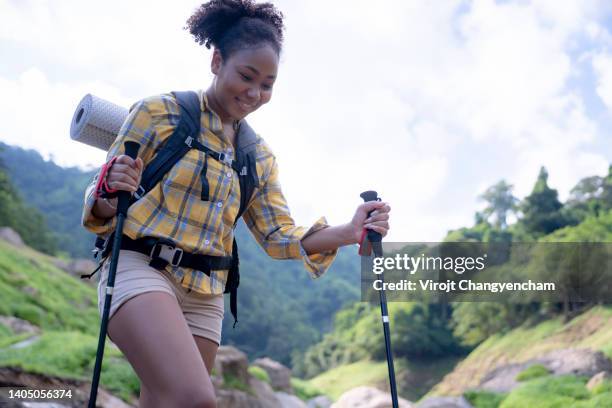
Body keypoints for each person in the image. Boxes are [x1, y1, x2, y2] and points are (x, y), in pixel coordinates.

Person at [81, 0, 391, 406]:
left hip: (206, 293)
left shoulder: (257, 156)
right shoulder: (158, 112)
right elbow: (103, 200)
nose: (254, 92)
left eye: (267, 84)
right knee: (197, 399)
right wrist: (107, 192)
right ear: (216, 61)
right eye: (246, 76)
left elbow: (279, 237)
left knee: (164, 402)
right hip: (141, 268)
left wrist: (350, 233)